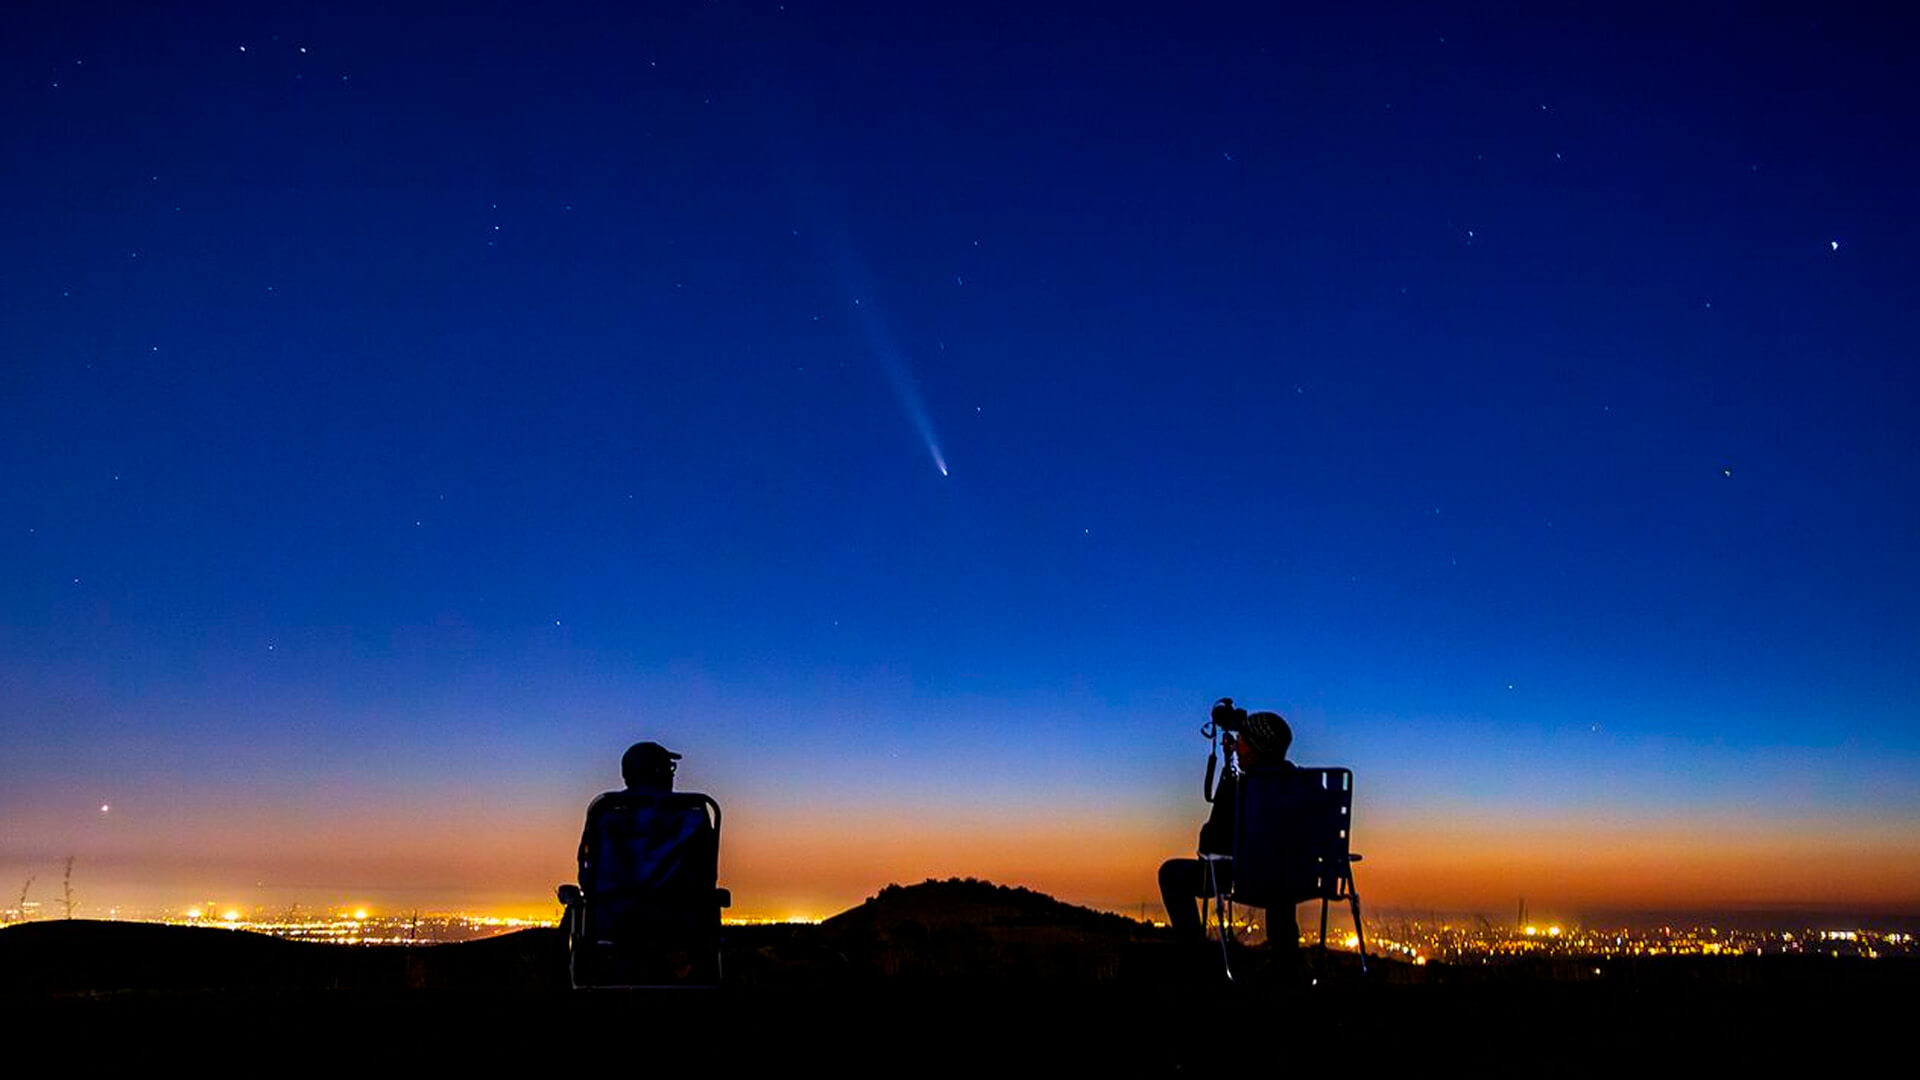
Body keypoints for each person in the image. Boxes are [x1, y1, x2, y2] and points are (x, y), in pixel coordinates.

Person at [1158, 700, 1302, 961]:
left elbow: (1211, 846)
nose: (1238, 745)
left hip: (1245, 877)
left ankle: (1194, 955)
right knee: (1280, 870)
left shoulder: (1244, 788)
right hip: (1297, 878)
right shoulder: (1300, 785)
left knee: (1171, 873)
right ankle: (1287, 960)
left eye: (1243, 741)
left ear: (1253, 749)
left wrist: (1231, 772)